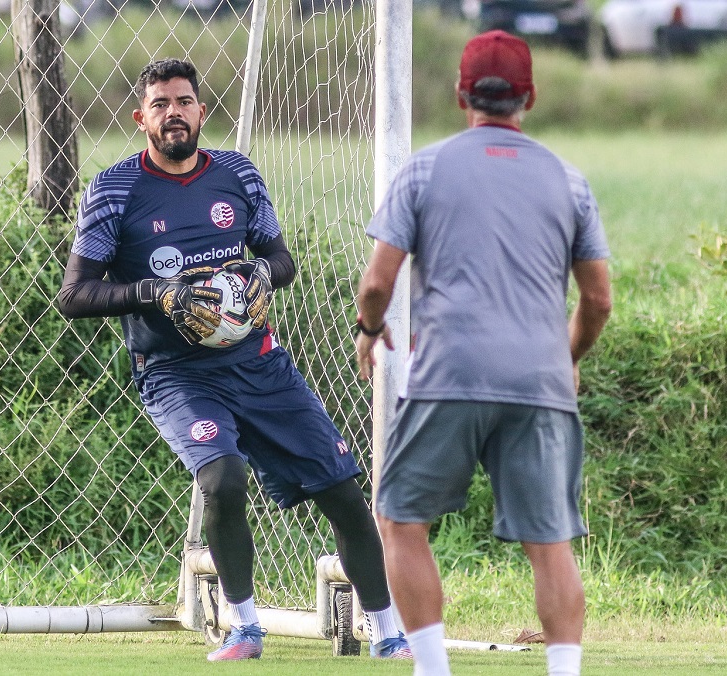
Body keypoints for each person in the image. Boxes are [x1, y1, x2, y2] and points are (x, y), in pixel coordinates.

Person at [57, 58, 411, 663]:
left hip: (259, 364)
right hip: (175, 374)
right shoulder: (114, 190)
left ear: (200, 111)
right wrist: (153, 292)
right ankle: (243, 626)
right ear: (142, 117)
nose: (174, 113)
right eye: (161, 104)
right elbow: (75, 295)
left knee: (345, 493)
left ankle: (388, 631)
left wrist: (255, 273)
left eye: (184, 101)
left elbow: (281, 260)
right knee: (222, 478)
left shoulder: (239, 176)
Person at [353, 31, 613, 676]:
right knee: (550, 543)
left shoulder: (424, 168)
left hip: (450, 371)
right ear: (530, 95)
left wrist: (369, 326)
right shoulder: (569, 181)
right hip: (540, 380)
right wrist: (567, 355)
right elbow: (599, 299)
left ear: (461, 93)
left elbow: (377, 283)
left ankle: (433, 669)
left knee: (400, 519)